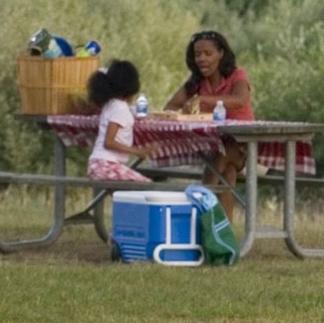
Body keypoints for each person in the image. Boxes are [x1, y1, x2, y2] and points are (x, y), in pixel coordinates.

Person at [166, 30, 253, 230]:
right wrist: (187, 111)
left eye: (208, 53)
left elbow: (240, 100)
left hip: (249, 151)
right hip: (217, 151)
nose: (202, 59)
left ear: (221, 53)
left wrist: (203, 100)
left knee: (221, 156)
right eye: (197, 54)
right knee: (227, 173)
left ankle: (196, 217)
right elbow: (169, 107)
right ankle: (224, 233)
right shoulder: (195, 84)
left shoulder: (237, 75)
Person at [84, 60, 151, 183]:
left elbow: (131, 112)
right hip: (106, 165)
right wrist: (138, 151)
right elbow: (109, 142)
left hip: (98, 164)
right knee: (146, 187)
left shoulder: (111, 104)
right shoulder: (120, 108)